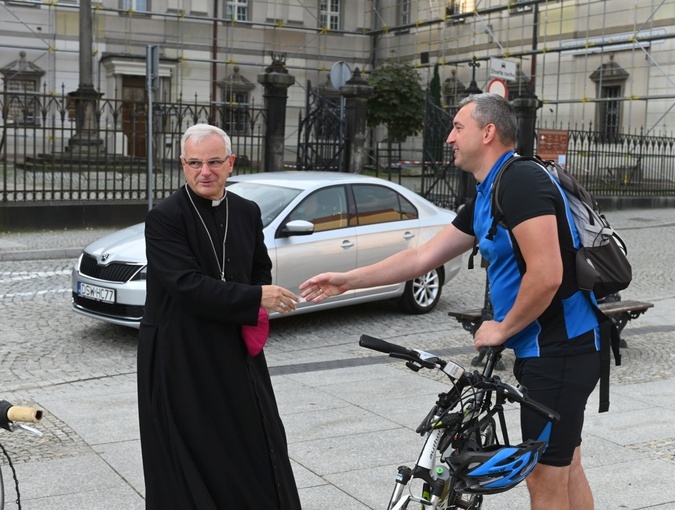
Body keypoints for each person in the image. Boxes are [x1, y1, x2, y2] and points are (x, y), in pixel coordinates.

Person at [300, 93, 601, 510]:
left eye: (459, 127)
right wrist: (348, 280)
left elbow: (547, 273)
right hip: (551, 350)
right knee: (566, 466)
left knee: (545, 479)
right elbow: (421, 257)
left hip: (562, 349)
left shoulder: (521, 182)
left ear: (488, 132)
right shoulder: (488, 193)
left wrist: (502, 326)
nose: (450, 138)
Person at [137, 123, 302, 509]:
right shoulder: (164, 218)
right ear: (182, 164)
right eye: (194, 163)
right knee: (191, 448)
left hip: (231, 345)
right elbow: (186, 286)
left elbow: (260, 267)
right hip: (181, 353)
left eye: (213, 162)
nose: (204, 172)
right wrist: (254, 297)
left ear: (230, 163)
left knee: (255, 437)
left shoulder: (245, 211)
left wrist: (256, 296)